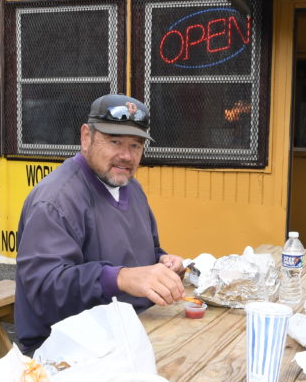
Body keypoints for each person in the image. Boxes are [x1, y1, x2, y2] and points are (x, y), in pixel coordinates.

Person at [15, 93, 185, 353]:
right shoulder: (56, 200)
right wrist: (120, 278)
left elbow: (146, 252)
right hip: (65, 351)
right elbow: (44, 288)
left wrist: (162, 263)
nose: (126, 156)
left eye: (136, 145)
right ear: (86, 137)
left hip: (133, 333)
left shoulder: (132, 188)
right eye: (114, 141)